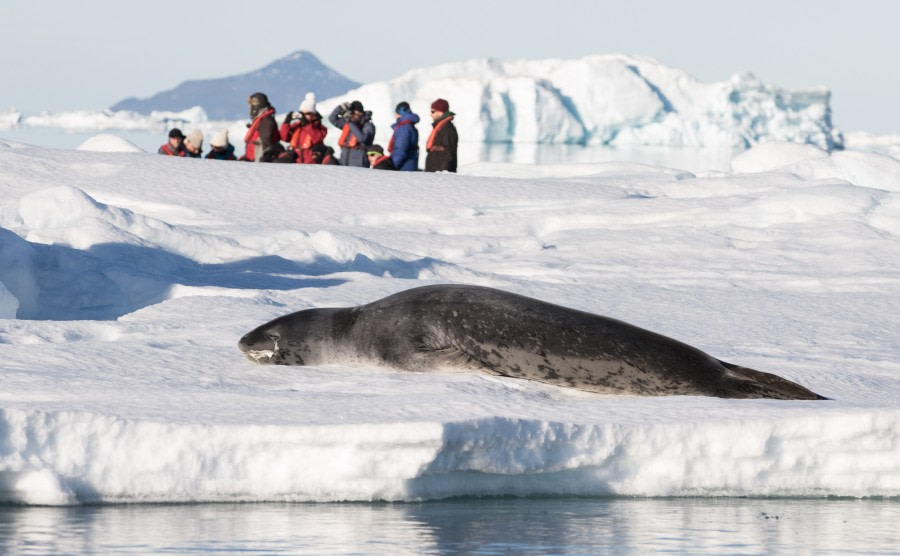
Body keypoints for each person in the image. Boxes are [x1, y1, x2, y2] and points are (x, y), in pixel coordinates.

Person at [277, 92, 328, 164]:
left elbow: (317, 138)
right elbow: (284, 137)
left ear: (313, 115)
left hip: (310, 163)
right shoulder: (296, 126)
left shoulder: (320, 128)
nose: (303, 116)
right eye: (301, 114)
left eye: (306, 114)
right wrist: (286, 122)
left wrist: (307, 124)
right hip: (295, 161)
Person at [328, 100, 375, 167]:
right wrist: (340, 108)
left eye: (353, 113)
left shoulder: (368, 126)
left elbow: (362, 138)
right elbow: (332, 119)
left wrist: (350, 122)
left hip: (359, 165)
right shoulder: (349, 124)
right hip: (344, 162)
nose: (352, 115)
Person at [240, 92, 284, 162]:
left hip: (258, 162)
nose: (249, 108)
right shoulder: (261, 120)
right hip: (252, 160)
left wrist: (262, 161)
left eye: (250, 106)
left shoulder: (265, 121)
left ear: (255, 107)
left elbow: (266, 143)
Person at [424, 98, 458, 173]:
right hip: (435, 172)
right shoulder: (441, 127)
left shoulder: (447, 128)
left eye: (433, 112)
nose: (431, 114)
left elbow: (449, 152)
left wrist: (444, 172)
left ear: (440, 112)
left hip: (440, 174)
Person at [388, 101, 420, 171]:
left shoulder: (403, 128)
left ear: (399, 113)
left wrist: (392, 166)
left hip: (403, 167)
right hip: (411, 164)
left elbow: (400, 150)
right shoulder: (410, 126)